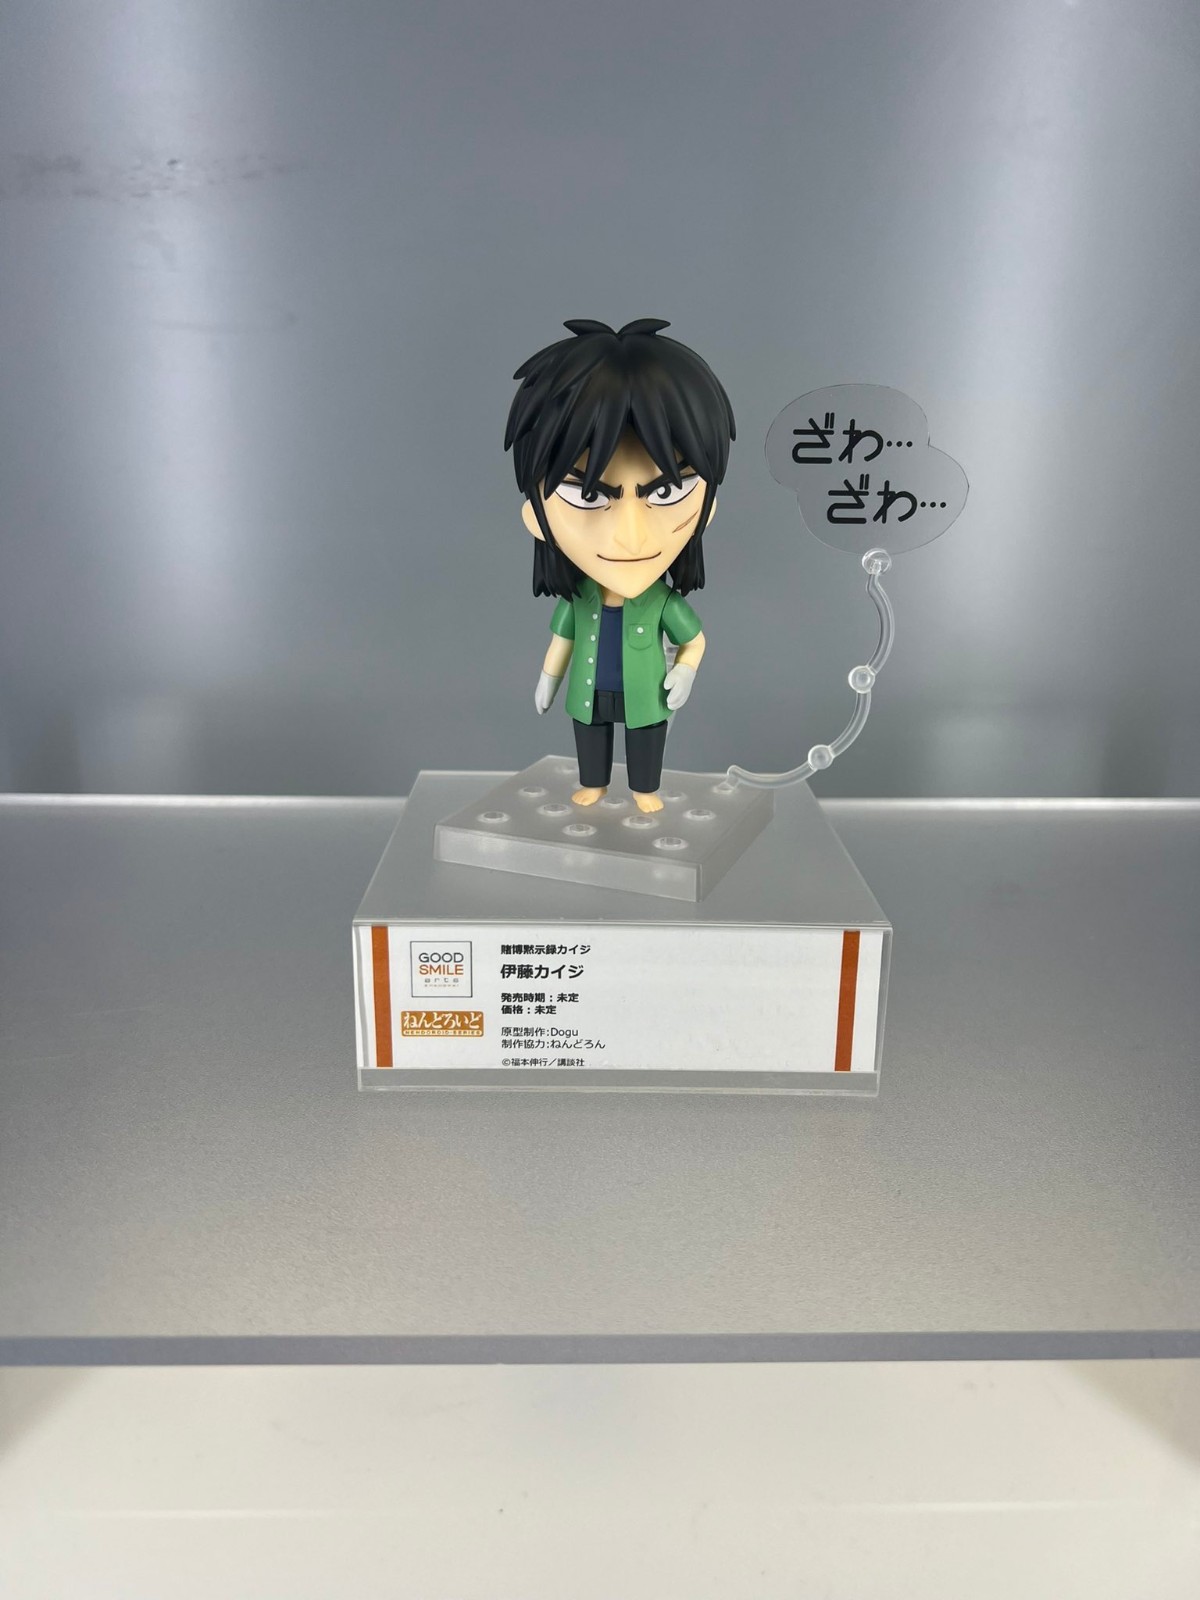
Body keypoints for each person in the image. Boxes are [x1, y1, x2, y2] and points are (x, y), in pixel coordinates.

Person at [505, 318, 736, 812]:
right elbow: (562, 640)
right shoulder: (580, 598)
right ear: (535, 518)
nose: (631, 537)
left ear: (708, 506)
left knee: (645, 739)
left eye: (667, 492)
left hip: (645, 694)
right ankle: (594, 783)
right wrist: (548, 678)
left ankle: (644, 789)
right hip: (588, 692)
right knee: (590, 737)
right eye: (589, 496)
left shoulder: (661, 601)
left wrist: (686, 672)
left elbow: (694, 640)